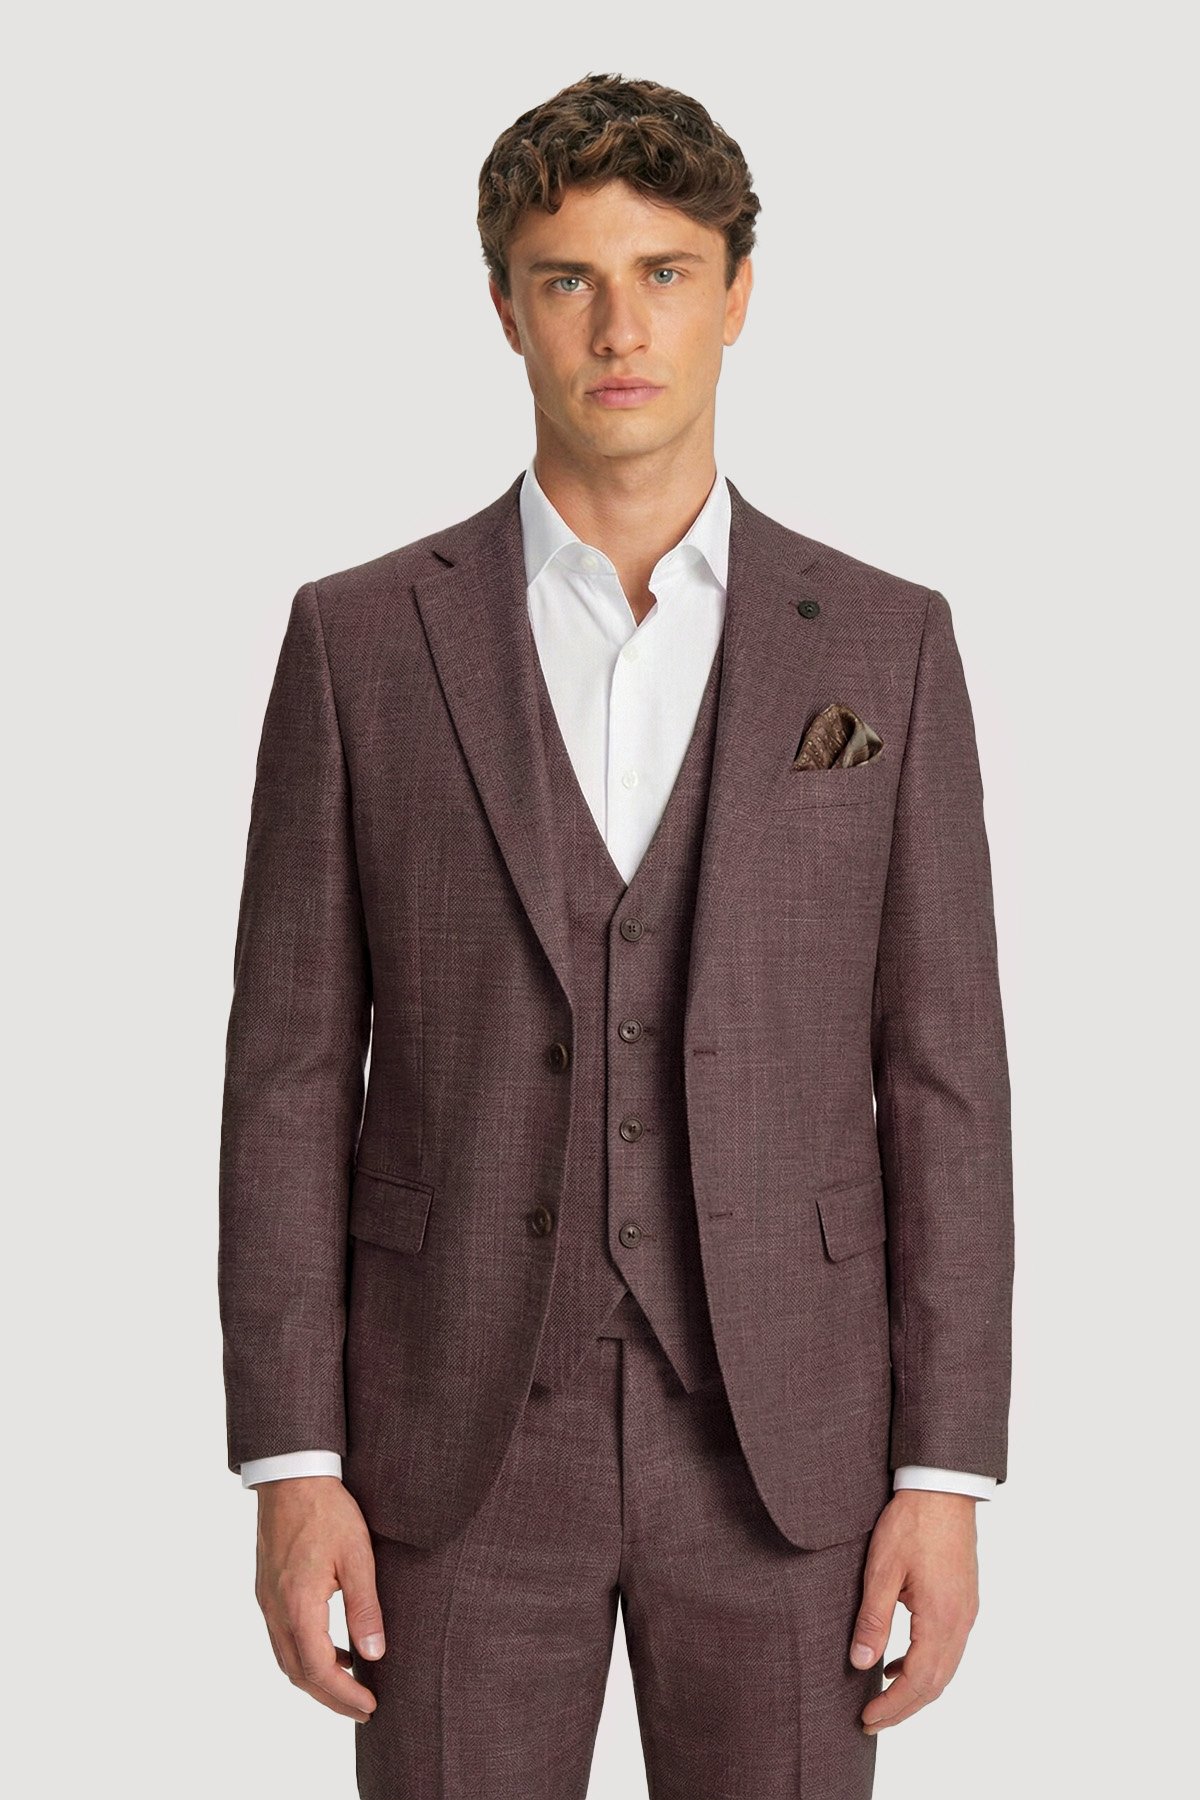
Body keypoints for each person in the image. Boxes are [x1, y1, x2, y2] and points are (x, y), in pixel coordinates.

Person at [218, 71, 1014, 1799]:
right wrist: (292, 1461)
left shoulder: (886, 644)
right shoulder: (361, 641)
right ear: (504, 307)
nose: (620, 327)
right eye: (567, 278)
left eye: (664, 273)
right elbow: (288, 1075)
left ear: (740, 294)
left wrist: (943, 1478)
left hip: (791, 1455)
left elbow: (945, 1078)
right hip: (448, 1451)